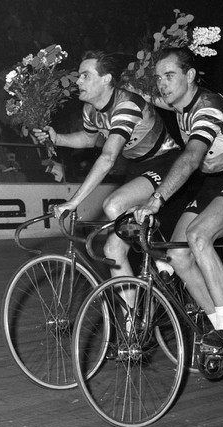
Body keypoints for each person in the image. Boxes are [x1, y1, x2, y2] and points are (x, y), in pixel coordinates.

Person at [132, 47, 223, 353]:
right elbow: (153, 98)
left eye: (170, 76)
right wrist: (125, 84)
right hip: (216, 181)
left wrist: (157, 199)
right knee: (176, 255)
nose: (163, 84)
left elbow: (192, 157)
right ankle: (217, 327)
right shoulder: (178, 101)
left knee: (197, 236)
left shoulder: (208, 106)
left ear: (191, 76)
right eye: (159, 77)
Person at [34, 50, 180, 278]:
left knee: (113, 205)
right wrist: (58, 138)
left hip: (166, 162)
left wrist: (74, 201)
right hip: (138, 168)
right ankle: (130, 313)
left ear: (106, 79)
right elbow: (89, 138)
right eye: (78, 76)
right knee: (111, 250)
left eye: (85, 75)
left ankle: (158, 255)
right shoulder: (90, 109)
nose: (78, 81)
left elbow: (108, 157)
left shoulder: (126, 106)